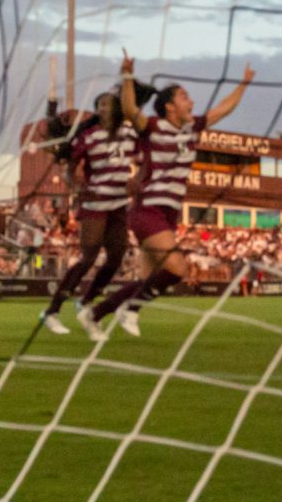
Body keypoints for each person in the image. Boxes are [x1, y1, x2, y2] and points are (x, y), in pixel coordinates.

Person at [82, 66, 256, 338]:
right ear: (169, 107)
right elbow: (129, 108)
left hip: (167, 215)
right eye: (185, 97)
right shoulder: (152, 127)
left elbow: (223, 109)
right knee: (178, 269)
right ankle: (130, 310)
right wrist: (127, 77)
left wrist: (244, 83)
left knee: (147, 279)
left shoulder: (192, 127)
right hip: (147, 210)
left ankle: (95, 313)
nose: (192, 101)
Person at [42, 60, 140, 336]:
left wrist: (137, 179)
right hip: (96, 203)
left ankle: (85, 302)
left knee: (116, 257)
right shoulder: (89, 136)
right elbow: (70, 168)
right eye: (100, 105)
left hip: (119, 203)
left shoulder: (130, 133)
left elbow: (143, 161)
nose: (103, 108)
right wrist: (77, 186)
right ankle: (51, 311)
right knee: (88, 256)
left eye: (108, 103)